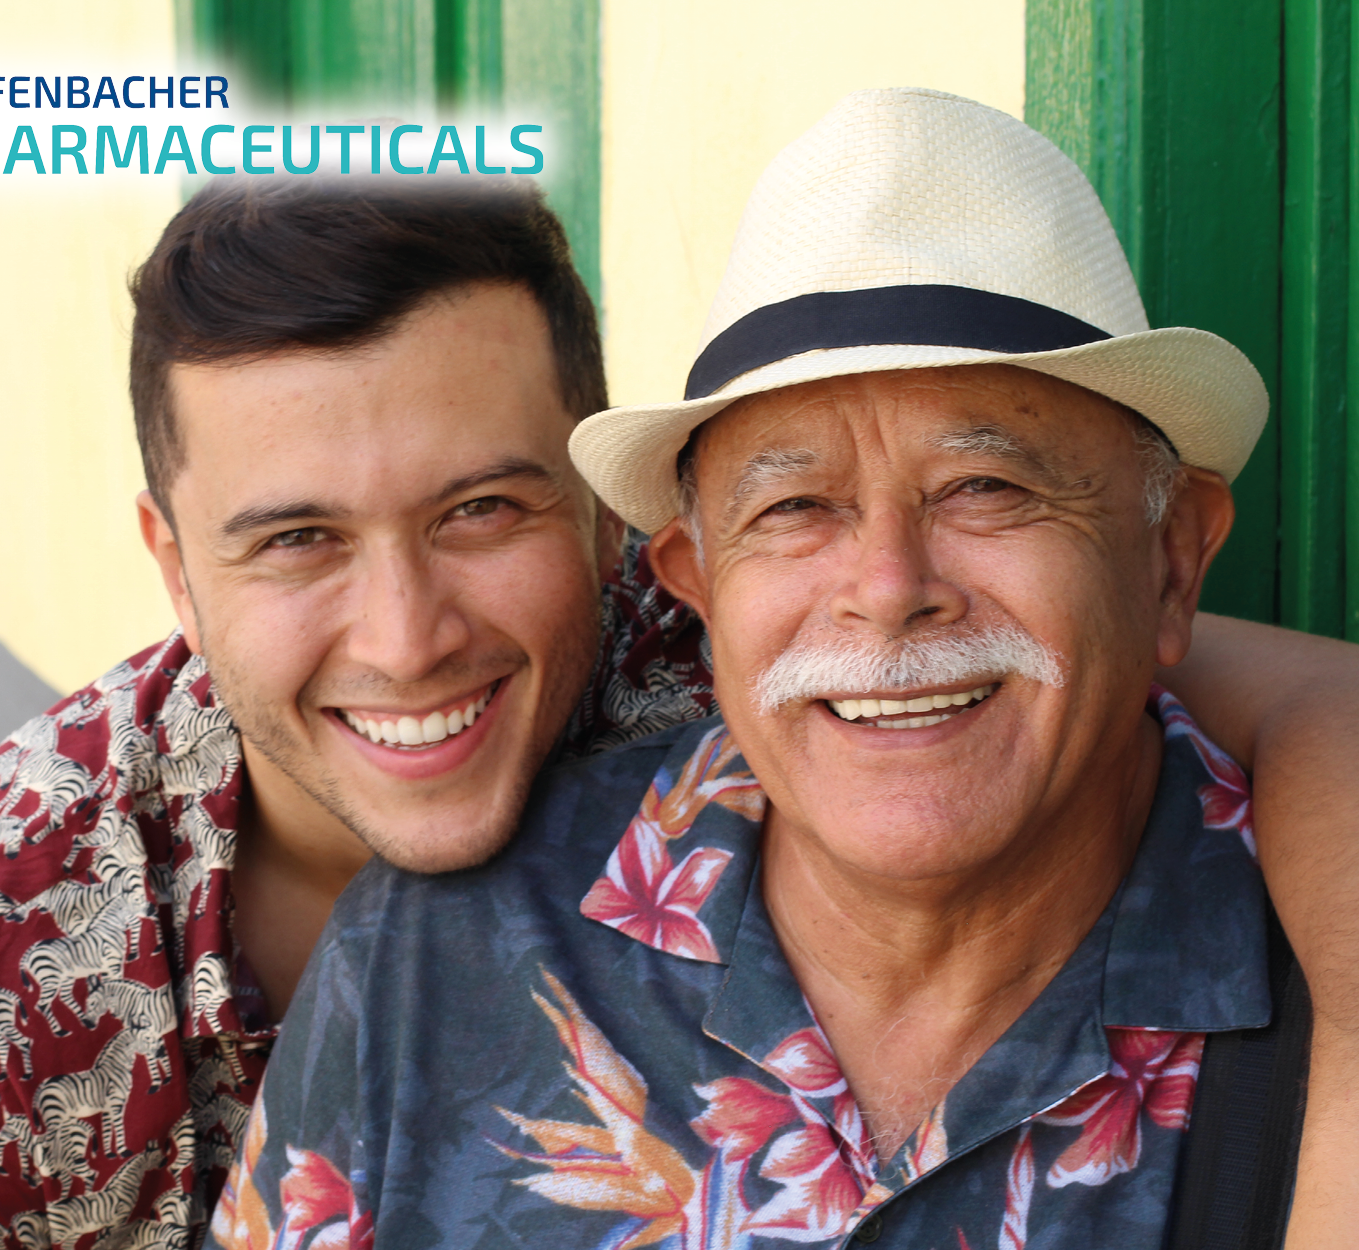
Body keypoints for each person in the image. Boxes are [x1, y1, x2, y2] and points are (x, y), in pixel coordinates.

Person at [0, 168, 1359, 1249]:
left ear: (613, 539)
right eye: (296, 539)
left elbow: (1099, 657)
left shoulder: (730, 641)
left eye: (481, 509)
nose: (406, 637)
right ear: (172, 569)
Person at [213, 89, 1331, 1249]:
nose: (886, 586)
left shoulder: (1320, 957)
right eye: (793, 507)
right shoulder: (429, 961)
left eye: (985, 488)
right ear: (695, 587)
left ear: (1169, 558)